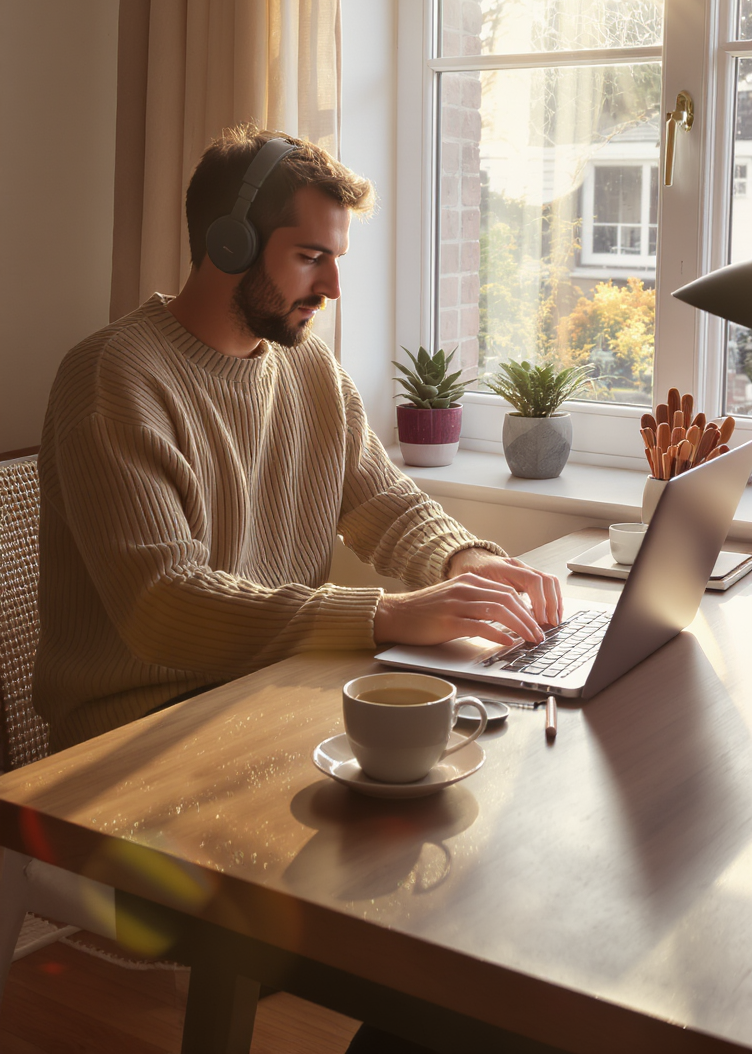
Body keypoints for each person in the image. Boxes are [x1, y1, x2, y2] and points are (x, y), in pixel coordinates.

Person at [34, 126, 561, 752]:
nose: (333, 288)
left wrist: (467, 564)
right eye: (311, 257)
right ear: (228, 246)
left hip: (271, 702)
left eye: (335, 259)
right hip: (135, 740)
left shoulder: (309, 370)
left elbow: (385, 506)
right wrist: (384, 615)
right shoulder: (113, 377)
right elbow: (162, 604)